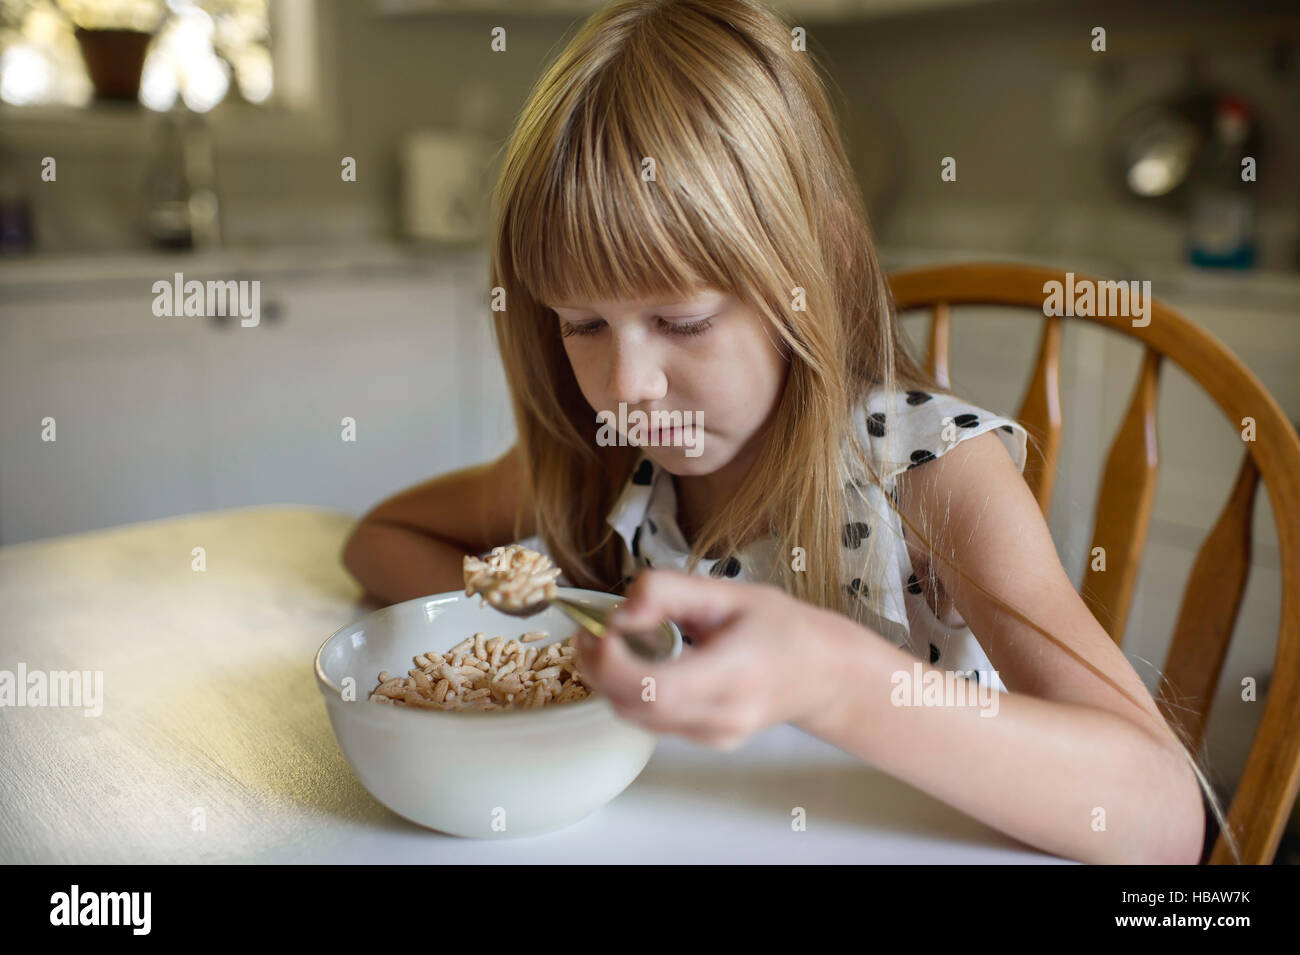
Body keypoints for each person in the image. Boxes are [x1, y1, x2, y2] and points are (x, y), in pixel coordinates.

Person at [343, 0, 1232, 864]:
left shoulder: (928, 479)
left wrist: (833, 678)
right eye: (583, 325)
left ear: (803, 274)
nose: (629, 386)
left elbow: (1161, 817)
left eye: (683, 321)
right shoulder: (607, 460)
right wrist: (554, 640)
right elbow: (380, 541)